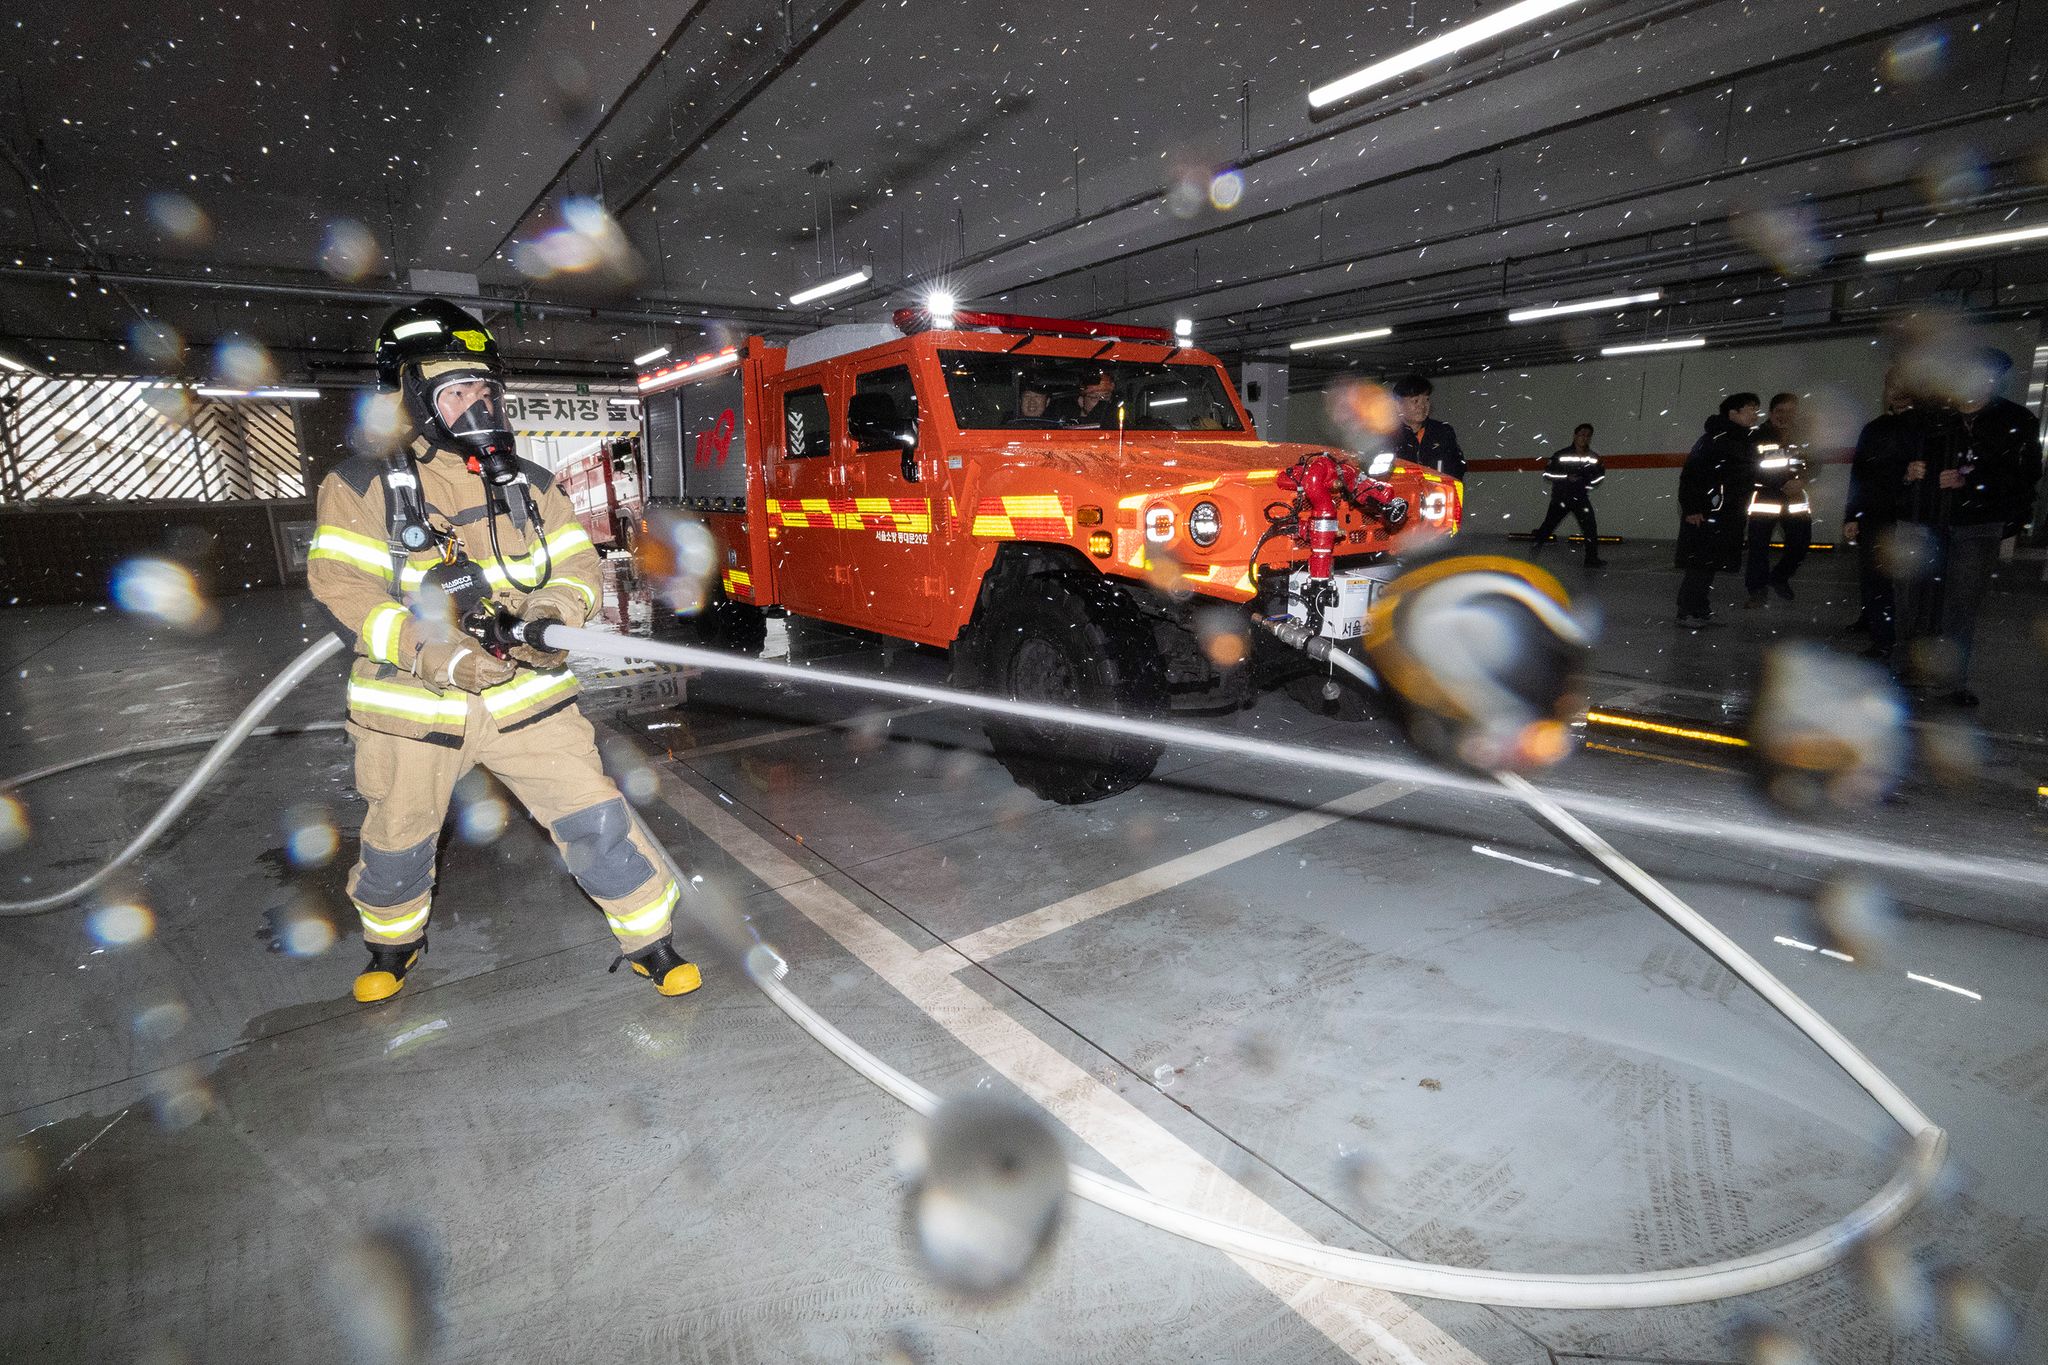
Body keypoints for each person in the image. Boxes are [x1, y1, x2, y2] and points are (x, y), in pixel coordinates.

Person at [307, 298, 702, 1003]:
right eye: (456, 391)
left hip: (527, 701)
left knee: (597, 819)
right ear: (410, 399)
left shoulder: (531, 485)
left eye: (485, 390)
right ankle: (391, 946)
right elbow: (345, 591)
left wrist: (549, 614)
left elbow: (578, 568)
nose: (477, 405)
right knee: (397, 841)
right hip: (414, 711)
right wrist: (437, 654)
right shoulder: (360, 487)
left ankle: (651, 939)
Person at [1892, 349, 2043, 705]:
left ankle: (1949, 683)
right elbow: (1887, 463)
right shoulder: (1929, 417)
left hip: (1977, 524)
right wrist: (1907, 472)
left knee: (1961, 603)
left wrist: (1972, 482)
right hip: (1923, 520)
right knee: (1911, 599)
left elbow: (2025, 473)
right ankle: (1906, 672)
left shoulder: (2014, 420)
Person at [1842, 370, 1917, 658]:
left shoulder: (1928, 427)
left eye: (1904, 385)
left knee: (1906, 579)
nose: (1897, 392)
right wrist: (1852, 515)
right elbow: (1859, 474)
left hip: (1911, 514)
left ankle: (1900, 637)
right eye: (1892, 386)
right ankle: (1883, 638)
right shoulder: (1875, 429)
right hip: (1876, 513)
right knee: (1876, 576)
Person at [1675, 393, 1759, 627]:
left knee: (1710, 563)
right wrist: (1693, 508)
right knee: (1700, 563)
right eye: (1750, 409)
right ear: (1733, 413)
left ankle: (1700, 608)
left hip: (1728, 513)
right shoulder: (1713, 440)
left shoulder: (1742, 440)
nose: (1755, 414)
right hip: (1708, 512)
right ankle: (1686, 611)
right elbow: (1692, 476)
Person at [1742, 391, 1813, 606]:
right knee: (1758, 548)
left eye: (1789, 411)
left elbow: (1815, 463)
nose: (1784, 416)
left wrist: (1801, 481)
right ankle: (1757, 591)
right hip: (1766, 497)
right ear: (1771, 413)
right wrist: (1780, 484)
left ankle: (1780, 577)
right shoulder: (1756, 437)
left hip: (1795, 497)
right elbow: (1751, 468)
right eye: (1779, 411)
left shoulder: (1804, 437)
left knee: (1801, 543)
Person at [1528, 423, 1607, 567]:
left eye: (1588, 435)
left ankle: (1591, 560)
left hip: (1581, 499)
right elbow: (1548, 473)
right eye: (1582, 434)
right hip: (1561, 498)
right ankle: (1532, 554)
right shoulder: (1561, 455)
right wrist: (1566, 477)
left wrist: (1586, 481)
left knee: (1590, 527)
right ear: (1575, 436)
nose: (1585, 438)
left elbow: (1600, 477)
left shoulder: (1594, 458)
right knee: (1548, 527)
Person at [1390, 374, 1465, 481]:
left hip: (1438, 494)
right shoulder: (1388, 436)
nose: (1422, 406)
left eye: (1427, 400)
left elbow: (1457, 468)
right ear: (1398, 405)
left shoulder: (1442, 432)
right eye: (1415, 401)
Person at [1047, 369, 1119, 428]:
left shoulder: (1119, 424)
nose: (1101, 402)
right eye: (1094, 397)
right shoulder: (1066, 425)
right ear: (1081, 401)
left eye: (1105, 397)